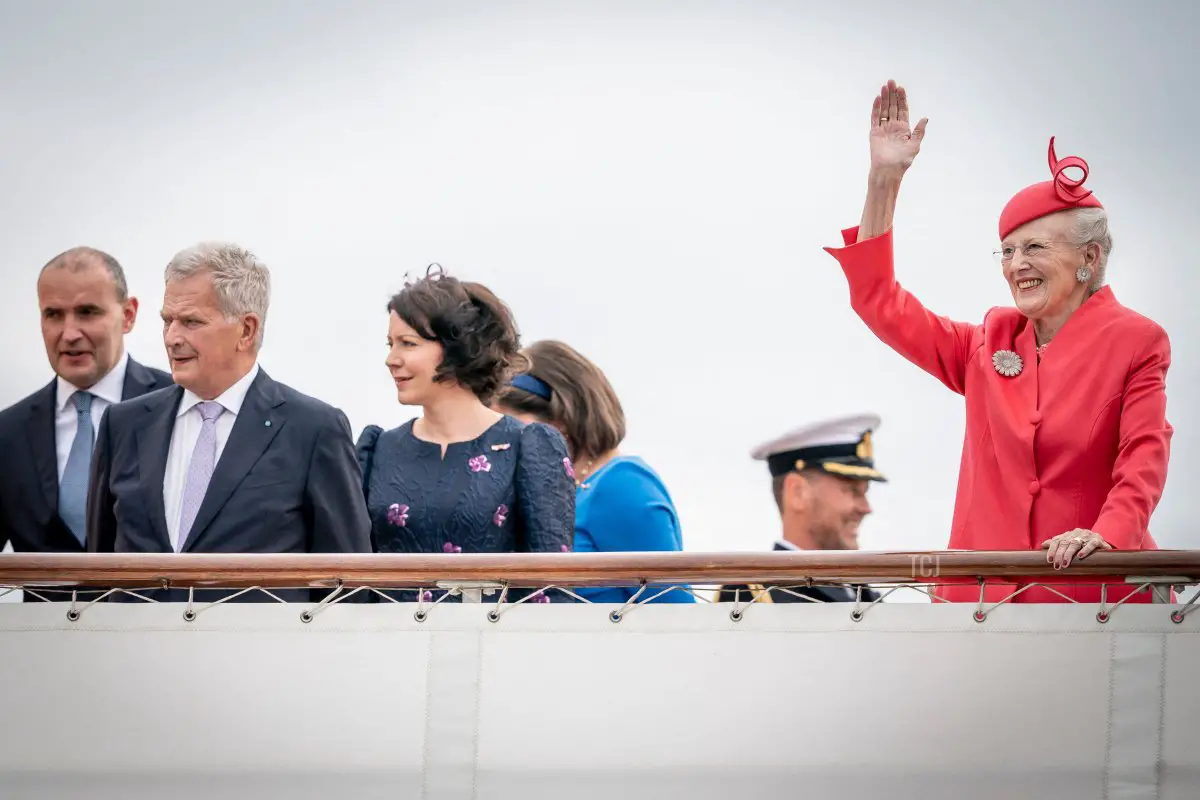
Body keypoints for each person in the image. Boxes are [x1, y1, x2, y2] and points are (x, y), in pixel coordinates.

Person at [822, 80, 1171, 604]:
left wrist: (1107, 536)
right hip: (979, 604)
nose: (1016, 265)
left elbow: (1143, 455)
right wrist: (884, 181)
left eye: (1033, 248)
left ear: (1089, 259)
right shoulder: (987, 341)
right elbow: (880, 302)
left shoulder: (1138, 341)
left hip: (1093, 596)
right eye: (1006, 251)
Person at [87, 242, 371, 601]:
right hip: (132, 652)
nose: (172, 337)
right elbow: (95, 572)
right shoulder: (122, 425)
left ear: (246, 330)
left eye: (191, 321)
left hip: (260, 653)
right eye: (167, 320)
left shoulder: (314, 429)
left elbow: (348, 585)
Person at [355, 268, 575, 603]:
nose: (391, 359)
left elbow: (552, 591)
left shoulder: (528, 446)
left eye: (408, 344)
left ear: (457, 348)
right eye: (390, 343)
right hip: (388, 648)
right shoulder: (377, 447)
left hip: (494, 649)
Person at [0, 248, 172, 561]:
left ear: (128, 315)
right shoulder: (7, 433)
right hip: (41, 612)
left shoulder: (179, 406)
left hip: (149, 610)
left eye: (87, 312)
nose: (69, 334)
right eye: (53, 314)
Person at [493, 340, 694, 604]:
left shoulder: (621, 484)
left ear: (559, 421)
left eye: (513, 428)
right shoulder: (564, 489)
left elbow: (674, 611)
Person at [716, 414, 884, 604]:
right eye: (852, 491)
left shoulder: (863, 593)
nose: (866, 508)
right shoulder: (753, 596)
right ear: (798, 493)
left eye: (865, 492)